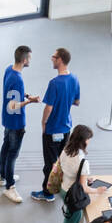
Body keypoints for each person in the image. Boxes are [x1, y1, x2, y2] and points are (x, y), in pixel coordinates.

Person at [32, 47, 80, 201]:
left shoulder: (54, 83)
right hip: (66, 128)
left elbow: (49, 107)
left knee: (50, 164)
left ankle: (47, 193)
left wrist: (43, 123)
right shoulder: (74, 79)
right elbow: (77, 101)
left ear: (60, 60)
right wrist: (65, 102)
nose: (51, 59)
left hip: (52, 129)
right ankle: (58, 187)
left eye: (53, 57)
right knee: (60, 161)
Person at [0, 45, 40, 203]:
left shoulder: (9, 69)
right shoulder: (18, 79)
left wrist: (27, 95)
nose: (30, 60)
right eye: (29, 57)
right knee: (12, 154)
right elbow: (13, 105)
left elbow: (11, 94)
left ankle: (3, 176)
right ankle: (10, 187)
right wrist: (29, 101)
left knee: (6, 147)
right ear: (24, 60)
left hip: (7, 120)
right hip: (16, 123)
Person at [52, 123, 93, 223]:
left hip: (64, 189)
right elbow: (84, 188)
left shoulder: (66, 150)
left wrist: (85, 177)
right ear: (83, 140)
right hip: (74, 195)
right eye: (88, 139)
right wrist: (98, 190)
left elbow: (67, 170)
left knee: (72, 219)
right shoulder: (82, 161)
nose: (89, 142)